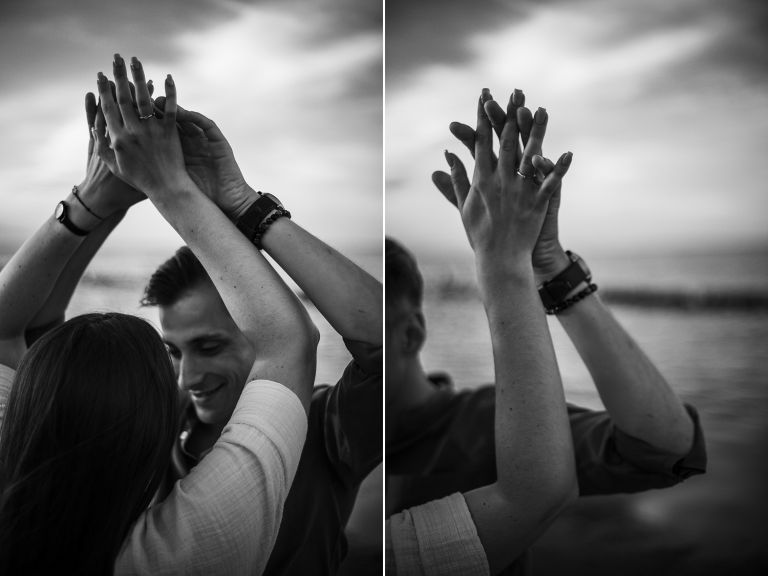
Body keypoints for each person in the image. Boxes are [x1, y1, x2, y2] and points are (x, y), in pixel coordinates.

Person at [0, 55, 316, 575]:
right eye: (171, 355)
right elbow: (288, 341)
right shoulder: (193, 547)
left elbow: (8, 328)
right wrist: (170, 187)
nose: (185, 380)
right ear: (153, 435)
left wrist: (93, 201)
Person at [386, 90, 707, 573]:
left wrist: (551, 266)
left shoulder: (488, 422)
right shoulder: (315, 430)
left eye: (359, 326)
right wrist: (502, 259)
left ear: (409, 335)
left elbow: (666, 446)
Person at [140, 104, 382, 574]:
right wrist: (97, 202)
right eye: (174, 351)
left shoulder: (323, 426)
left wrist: (244, 204)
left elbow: (381, 339)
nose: (189, 378)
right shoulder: (158, 423)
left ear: (264, 328)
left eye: (210, 347)